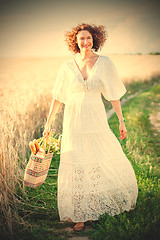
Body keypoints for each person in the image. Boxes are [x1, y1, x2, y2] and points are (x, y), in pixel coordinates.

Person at [43, 23, 138, 231]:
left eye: (88, 38)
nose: (85, 42)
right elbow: (57, 98)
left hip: (95, 118)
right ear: (75, 42)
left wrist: (121, 121)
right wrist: (49, 123)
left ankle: (93, 208)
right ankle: (80, 215)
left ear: (95, 39)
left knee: (96, 159)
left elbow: (113, 95)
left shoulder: (105, 63)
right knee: (77, 162)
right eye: (81, 39)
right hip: (73, 121)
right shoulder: (67, 66)